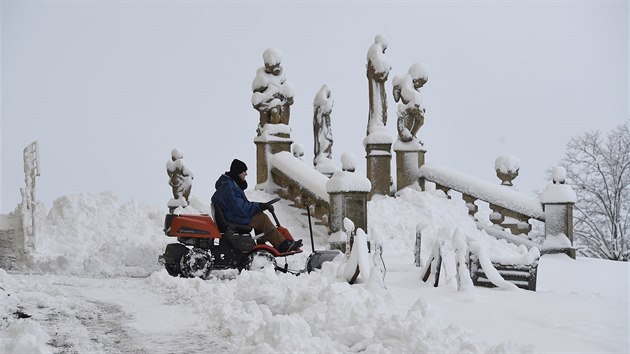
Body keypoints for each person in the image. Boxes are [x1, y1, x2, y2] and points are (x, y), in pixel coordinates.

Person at [211, 159, 302, 253]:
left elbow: (240, 205)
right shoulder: (229, 187)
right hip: (232, 218)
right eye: (244, 171)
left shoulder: (229, 184)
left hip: (230, 215)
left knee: (259, 216)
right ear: (238, 173)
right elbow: (241, 208)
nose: (246, 174)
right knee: (262, 219)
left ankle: (262, 245)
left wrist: (259, 206)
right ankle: (282, 245)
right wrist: (258, 206)